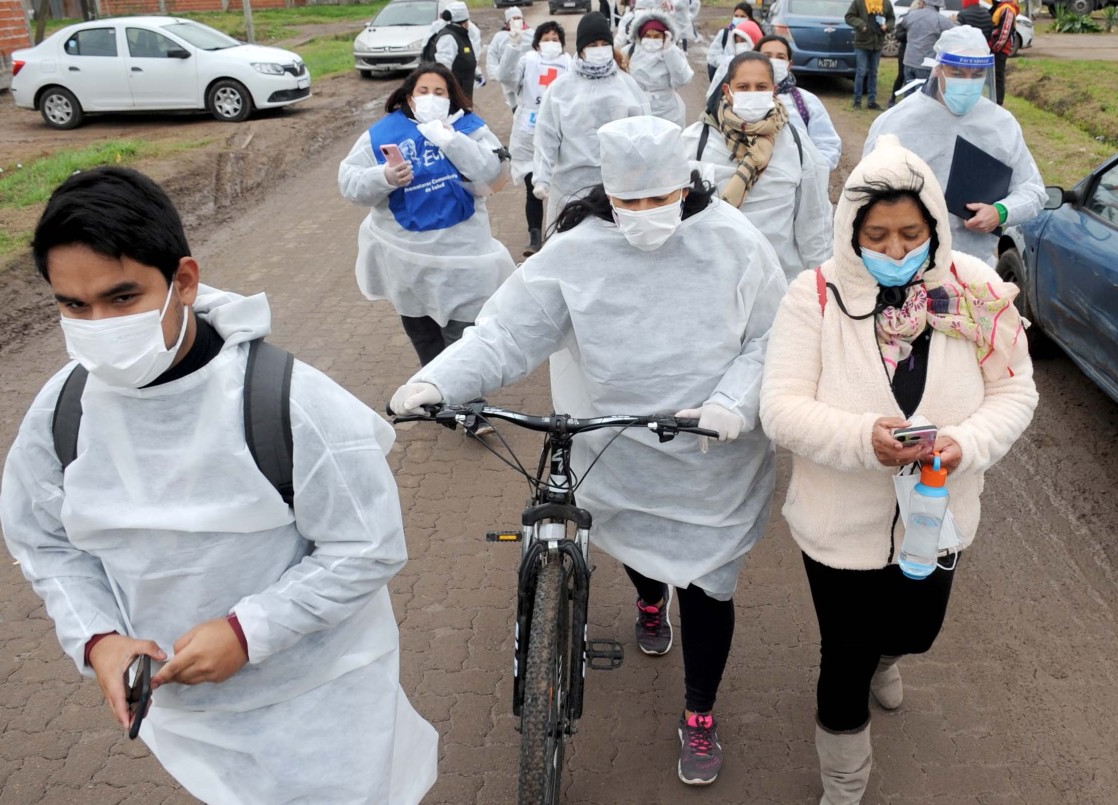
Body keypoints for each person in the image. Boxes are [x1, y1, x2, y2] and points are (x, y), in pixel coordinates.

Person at [1, 167, 439, 804]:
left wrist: (247, 631)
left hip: (320, 701)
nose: (98, 325)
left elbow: (367, 547)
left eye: (122, 299)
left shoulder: (289, 401)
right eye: (74, 305)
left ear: (184, 279)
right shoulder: (62, 410)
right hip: (186, 715)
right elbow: (46, 544)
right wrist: (97, 638)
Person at [389, 117, 787, 786]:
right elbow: (508, 331)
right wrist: (439, 380)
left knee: (709, 585)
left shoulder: (735, 243)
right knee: (633, 546)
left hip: (710, 453)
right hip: (619, 443)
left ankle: (699, 709)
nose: (644, 216)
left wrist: (732, 403)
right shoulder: (576, 249)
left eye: (658, 200)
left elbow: (771, 336)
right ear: (608, 192)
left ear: (686, 184)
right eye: (629, 202)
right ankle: (649, 603)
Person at [760, 136, 1038, 804]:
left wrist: (964, 443)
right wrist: (864, 438)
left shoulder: (975, 294)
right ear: (850, 231)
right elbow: (780, 408)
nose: (892, 249)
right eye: (876, 235)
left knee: (916, 631)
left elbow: (1016, 391)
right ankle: (844, 785)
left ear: (935, 228)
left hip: (934, 518)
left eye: (909, 233)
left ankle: (893, 652)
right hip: (839, 528)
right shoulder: (816, 296)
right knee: (844, 655)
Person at [339, 64, 514, 367]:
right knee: (426, 341)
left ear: (450, 98)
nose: (431, 97)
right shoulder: (382, 134)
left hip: (462, 262)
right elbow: (350, 184)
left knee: (464, 346)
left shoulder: (468, 128)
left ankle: (465, 406)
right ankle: (442, 402)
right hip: (408, 267)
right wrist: (384, 177)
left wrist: (452, 141)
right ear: (409, 97)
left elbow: (495, 174)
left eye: (439, 92)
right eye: (424, 91)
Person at [863, 26, 1046, 265]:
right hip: (904, 264)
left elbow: (1033, 191)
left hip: (973, 266)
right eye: (958, 73)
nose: (968, 82)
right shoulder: (897, 122)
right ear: (938, 69)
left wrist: (1000, 212)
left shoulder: (1001, 124)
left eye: (977, 74)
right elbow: (863, 194)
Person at [685, 51, 833, 282]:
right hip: (714, 278)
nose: (752, 93)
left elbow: (814, 221)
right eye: (743, 87)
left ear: (773, 90)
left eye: (761, 86)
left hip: (779, 279)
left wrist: (822, 283)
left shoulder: (796, 144)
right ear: (728, 91)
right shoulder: (696, 142)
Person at [532, 12, 649, 231]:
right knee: (568, 249)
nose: (599, 48)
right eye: (593, 44)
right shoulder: (560, 89)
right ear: (581, 48)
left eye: (604, 43)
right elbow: (546, 135)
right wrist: (541, 177)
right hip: (570, 187)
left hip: (617, 187)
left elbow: (644, 134)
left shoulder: (627, 86)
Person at [499, 21, 573, 256]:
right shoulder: (527, 60)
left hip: (559, 134)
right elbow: (506, 77)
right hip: (527, 136)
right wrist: (512, 47)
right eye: (546, 38)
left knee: (560, 186)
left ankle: (562, 234)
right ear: (537, 42)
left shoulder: (568, 62)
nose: (551, 43)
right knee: (533, 188)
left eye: (555, 39)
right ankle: (534, 236)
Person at [757, 34, 842, 172]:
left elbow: (828, 145)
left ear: (789, 64)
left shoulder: (806, 102)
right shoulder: (740, 99)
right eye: (767, 56)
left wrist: (808, 174)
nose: (773, 61)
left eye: (780, 57)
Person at [622, 6, 694, 127]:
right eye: (648, 36)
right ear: (640, 36)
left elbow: (682, 79)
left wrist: (669, 52)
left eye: (656, 36)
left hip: (667, 111)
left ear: (665, 36)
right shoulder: (629, 51)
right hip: (637, 109)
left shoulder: (673, 52)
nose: (652, 40)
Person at [422, 0, 484, 100]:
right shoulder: (449, 38)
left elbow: (463, 59)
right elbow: (443, 67)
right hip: (453, 97)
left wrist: (476, 73)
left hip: (463, 94)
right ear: (464, 22)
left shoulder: (460, 35)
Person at [846, 0, 894, 110]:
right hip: (862, 43)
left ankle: (872, 101)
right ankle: (857, 101)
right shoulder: (859, 2)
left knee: (874, 73)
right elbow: (849, 16)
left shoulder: (885, 2)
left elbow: (891, 18)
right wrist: (860, 24)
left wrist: (887, 26)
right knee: (861, 72)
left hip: (877, 43)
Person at [897, 0, 954, 85]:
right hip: (925, 65)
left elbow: (902, 23)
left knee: (909, 93)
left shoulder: (911, 15)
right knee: (923, 95)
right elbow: (955, 31)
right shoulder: (940, 19)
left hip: (909, 62)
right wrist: (954, 21)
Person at [704, 17, 764, 96]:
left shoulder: (764, 67)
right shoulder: (728, 63)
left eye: (743, 41)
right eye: (737, 41)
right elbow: (714, 90)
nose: (740, 44)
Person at [486, 6, 528, 111]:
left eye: (519, 18)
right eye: (514, 19)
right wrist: (495, 73)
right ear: (507, 22)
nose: (517, 21)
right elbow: (492, 55)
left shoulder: (531, 34)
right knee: (515, 106)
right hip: (508, 77)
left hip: (526, 76)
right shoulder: (499, 37)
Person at [706, 2, 757, 81]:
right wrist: (728, 63)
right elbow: (712, 55)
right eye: (736, 16)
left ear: (749, 18)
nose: (739, 19)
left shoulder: (754, 35)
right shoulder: (725, 33)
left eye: (742, 16)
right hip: (725, 77)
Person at [987, 0, 1020, 105]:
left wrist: (995, 48)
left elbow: (1004, 33)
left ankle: (998, 103)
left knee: (998, 77)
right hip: (996, 48)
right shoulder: (1001, 7)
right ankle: (993, 100)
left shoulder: (1007, 9)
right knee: (993, 77)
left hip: (1000, 50)